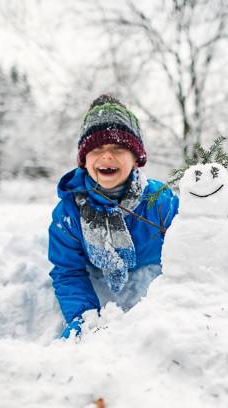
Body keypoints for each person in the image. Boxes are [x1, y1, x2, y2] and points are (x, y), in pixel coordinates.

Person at [48, 94, 179, 338]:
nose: (107, 156)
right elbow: (68, 271)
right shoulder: (68, 214)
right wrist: (82, 317)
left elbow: (188, 248)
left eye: (119, 148)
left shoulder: (160, 201)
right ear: (84, 160)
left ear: (136, 159)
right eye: (97, 148)